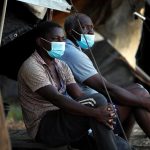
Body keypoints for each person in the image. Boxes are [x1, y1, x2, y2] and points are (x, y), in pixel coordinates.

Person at [17, 21, 130, 150]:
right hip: (44, 128)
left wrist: (104, 109)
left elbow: (79, 95)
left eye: (62, 39)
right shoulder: (31, 67)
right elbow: (57, 99)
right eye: (55, 39)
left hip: (64, 118)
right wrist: (95, 112)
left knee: (121, 145)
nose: (61, 43)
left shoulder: (61, 65)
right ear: (40, 42)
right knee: (97, 101)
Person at [60, 13, 150, 139]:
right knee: (138, 96)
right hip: (88, 112)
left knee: (137, 90)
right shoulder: (72, 53)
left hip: (90, 104)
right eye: (86, 27)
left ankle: (123, 143)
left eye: (92, 27)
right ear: (71, 31)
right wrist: (146, 103)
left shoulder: (72, 49)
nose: (91, 32)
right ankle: (122, 143)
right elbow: (105, 88)